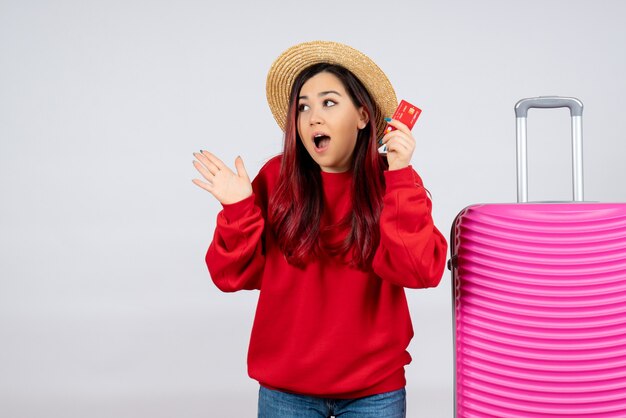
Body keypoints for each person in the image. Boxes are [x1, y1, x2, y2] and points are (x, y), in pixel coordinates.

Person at [192, 40, 447, 418]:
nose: (313, 117)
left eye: (328, 102)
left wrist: (400, 175)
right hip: (286, 392)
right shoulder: (276, 179)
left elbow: (420, 270)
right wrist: (238, 209)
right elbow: (229, 276)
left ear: (363, 116)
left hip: (374, 390)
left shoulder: (391, 182)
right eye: (303, 107)